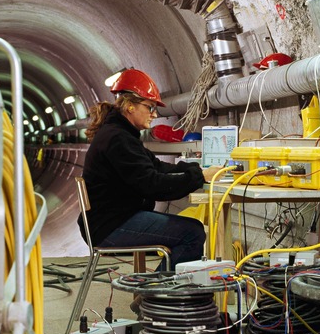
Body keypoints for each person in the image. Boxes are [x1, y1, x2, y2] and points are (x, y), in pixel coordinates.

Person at [79, 68, 222, 270]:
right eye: (150, 107)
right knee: (192, 233)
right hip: (110, 227)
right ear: (130, 106)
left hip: (110, 220)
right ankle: (157, 295)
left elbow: (155, 166)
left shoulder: (120, 134)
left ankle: (157, 291)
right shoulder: (118, 139)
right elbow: (153, 186)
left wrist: (193, 168)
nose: (154, 114)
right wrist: (198, 176)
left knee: (190, 230)